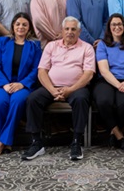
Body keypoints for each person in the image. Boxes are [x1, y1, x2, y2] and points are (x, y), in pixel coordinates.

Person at [22, 17, 95, 161]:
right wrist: (52, 90)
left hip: (76, 87)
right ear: (61, 31)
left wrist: (70, 89)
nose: (70, 32)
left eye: (73, 29)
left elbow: (88, 74)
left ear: (79, 32)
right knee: (32, 99)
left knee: (81, 99)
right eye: (67, 29)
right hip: (52, 86)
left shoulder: (87, 47)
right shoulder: (51, 46)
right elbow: (42, 71)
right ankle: (36, 142)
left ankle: (76, 142)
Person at [0, 13, 43, 157]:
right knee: (0, 102)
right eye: (18, 24)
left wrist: (22, 84)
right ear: (13, 26)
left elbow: (36, 69)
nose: (21, 27)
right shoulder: (2, 42)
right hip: (2, 83)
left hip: (23, 84)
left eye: (24, 24)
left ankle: (1, 142)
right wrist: (4, 84)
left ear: (29, 28)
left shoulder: (35, 45)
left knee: (17, 101)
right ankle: (7, 141)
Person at [94, 14, 124, 151]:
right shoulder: (102, 45)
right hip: (107, 80)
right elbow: (104, 70)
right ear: (109, 27)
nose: (117, 27)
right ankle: (120, 136)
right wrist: (119, 85)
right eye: (113, 24)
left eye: (119, 24)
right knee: (104, 101)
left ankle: (112, 133)